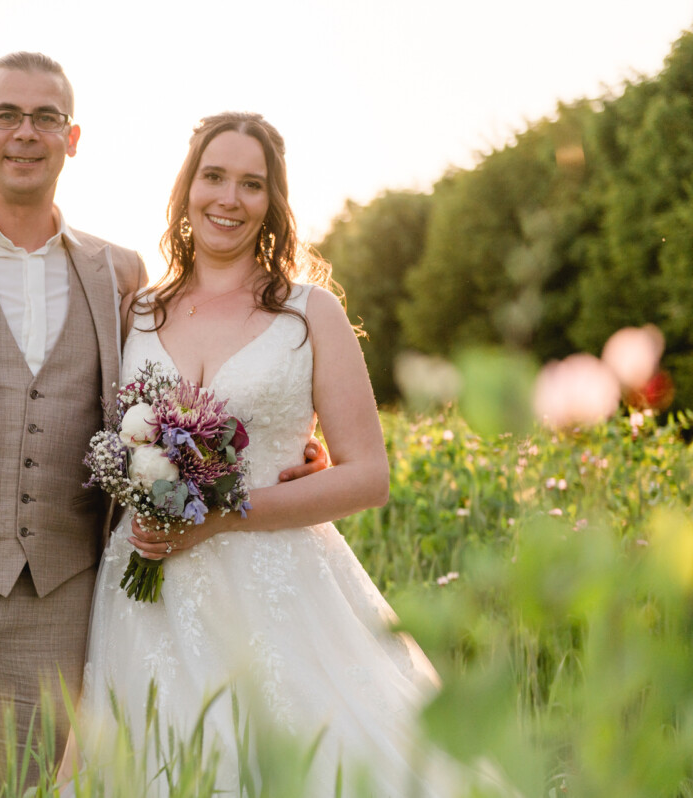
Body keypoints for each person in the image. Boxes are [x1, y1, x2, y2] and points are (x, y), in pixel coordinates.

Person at [0, 53, 333, 788]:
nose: (25, 133)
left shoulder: (120, 273)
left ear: (73, 138)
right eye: (6, 115)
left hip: (59, 596)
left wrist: (275, 453)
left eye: (46, 117)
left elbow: (170, 396)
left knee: (28, 786)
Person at [74, 112, 457, 796]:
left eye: (251, 184)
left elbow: (368, 477)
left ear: (272, 201)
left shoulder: (309, 314)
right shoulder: (137, 310)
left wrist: (223, 515)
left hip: (276, 589)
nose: (229, 198)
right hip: (144, 593)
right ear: (187, 188)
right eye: (214, 176)